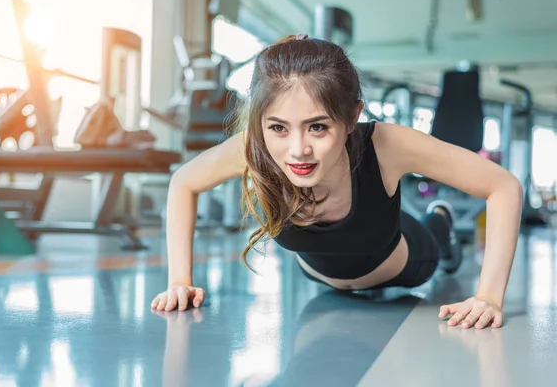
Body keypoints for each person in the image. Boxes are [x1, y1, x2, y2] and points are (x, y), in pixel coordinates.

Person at [151, 34, 523, 330]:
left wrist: (489, 296)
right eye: (278, 127)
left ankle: (439, 218)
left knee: (434, 233)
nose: (298, 150)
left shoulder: (387, 144)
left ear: (351, 117)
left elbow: (503, 186)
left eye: (317, 127)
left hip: (407, 264)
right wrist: (179, 279)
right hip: (328, 284)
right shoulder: (255, 147)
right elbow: (184, 181)